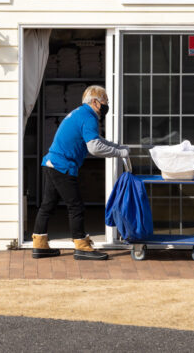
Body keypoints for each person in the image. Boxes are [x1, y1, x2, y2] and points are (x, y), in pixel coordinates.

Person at [31, 85, 129, 260]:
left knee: (47, 205)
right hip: (62, 166)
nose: (107, 104)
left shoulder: (80, 113)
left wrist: (117, 147)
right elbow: (94, 148)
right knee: (76, 206)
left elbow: (97, 140)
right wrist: (119, 153)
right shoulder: (89, 117)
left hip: (51, 163)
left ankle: (39, 245)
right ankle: (82, 246)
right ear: (95, 102)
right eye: (105, 101)